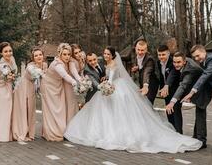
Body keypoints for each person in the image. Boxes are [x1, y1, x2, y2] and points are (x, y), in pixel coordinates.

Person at [64, 47, 202, 153]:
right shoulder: (104, 64)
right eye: (104, 53)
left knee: (120, 112)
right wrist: (105, 81)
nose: (105, 55)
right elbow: (105, 75)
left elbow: (116, 77)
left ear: (112, 55)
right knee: (109, 113)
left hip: (115, 88)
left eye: (107, 54)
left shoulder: (114, 64)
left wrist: (108, 84)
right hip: (109, 88)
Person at [165, 52, 212, 148]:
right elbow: (173, 74)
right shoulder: (181, 63)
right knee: (197, 111)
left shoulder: (190, 69)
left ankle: (201, 141)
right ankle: (194, 136)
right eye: (174, 62)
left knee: (200, 112)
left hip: (204, 89)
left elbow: (183, 85)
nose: (176, 64)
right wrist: (167, 85)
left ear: (184, 61)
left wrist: (172, 102)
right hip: (193, 87)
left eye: (178, 62)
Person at [40, 43, 77, 141]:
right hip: (48, 86)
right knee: (52, 109)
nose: (67, 57)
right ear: (60, 54)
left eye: (68, 54)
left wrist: (81, 81)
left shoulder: (68, 62)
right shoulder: (57, 64)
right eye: (64, 54)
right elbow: (64, 75)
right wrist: (74, 83)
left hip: (58, 86)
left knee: (59, 109)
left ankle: (61, 130)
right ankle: (51, 132)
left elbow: (73, 72)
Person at [12, 48, 48, 141]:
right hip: (23, 87)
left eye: (40, 54)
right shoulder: (30, 66)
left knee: (31, 109)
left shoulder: (44, 65)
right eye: (36, 55)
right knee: (24, 109)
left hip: (31, 88)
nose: (38, 57)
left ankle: (30, 133)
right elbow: (35, 74)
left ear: (43, 55)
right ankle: (23, 132)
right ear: (33, 58)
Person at [156, 45, 182, 133]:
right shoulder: (158, 62)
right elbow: (161, 77)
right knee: (168, 111)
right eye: (159, 55)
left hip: (175, 90)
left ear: (168, 53)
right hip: (165, 92)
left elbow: (173, 74)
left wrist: (167, 85)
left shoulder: (173, 62)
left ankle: (179, 133)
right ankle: (172, 132)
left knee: (176, 112)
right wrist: (162, 88)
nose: (161, 57)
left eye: (163, 55)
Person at [131, 39, 159, 105]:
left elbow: (147, 72)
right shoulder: (134, 55)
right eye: (138, 50)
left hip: (151, 84)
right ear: (135, 48)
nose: (140, 52)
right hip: (141, 83)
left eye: (142, 50)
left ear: (146, 50)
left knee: (148, 104)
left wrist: (145, 86)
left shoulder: (149, 59)